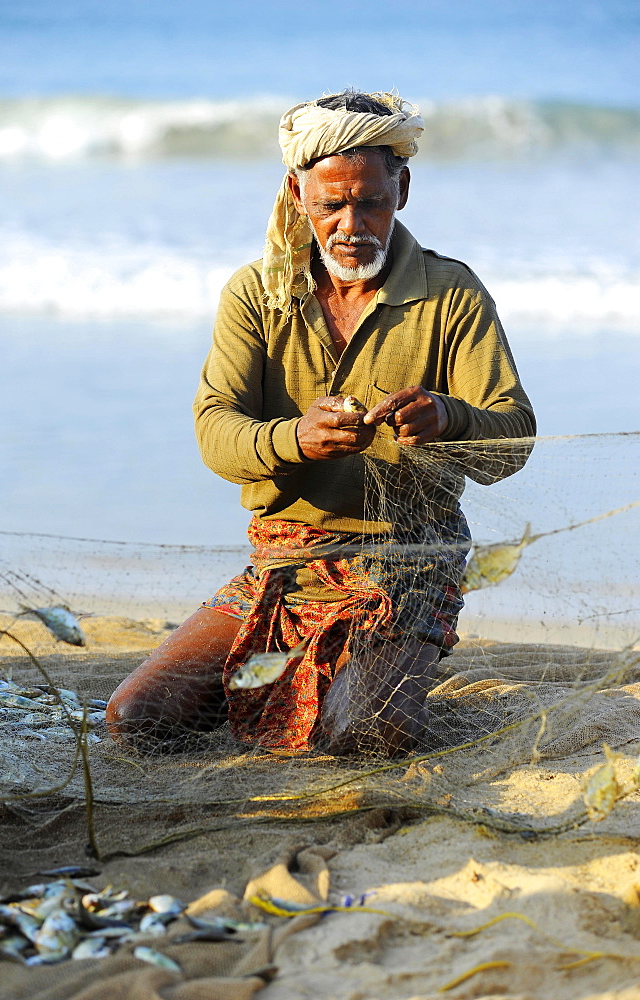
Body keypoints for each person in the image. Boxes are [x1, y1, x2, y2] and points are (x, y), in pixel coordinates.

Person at [106, 90, 535, 757]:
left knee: (359, 733)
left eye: (371, 201)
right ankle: (315, 668)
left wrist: (449, 416)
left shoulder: (453, 295)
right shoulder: (256, 294)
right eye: (331, 204)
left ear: (404, 188)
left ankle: (364, 670)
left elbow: (516, 436)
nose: (351, 224)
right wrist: (294, 439)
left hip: (409, 562)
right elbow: (215, 432)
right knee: (137, 719)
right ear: (297, 192)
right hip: (286, 559)